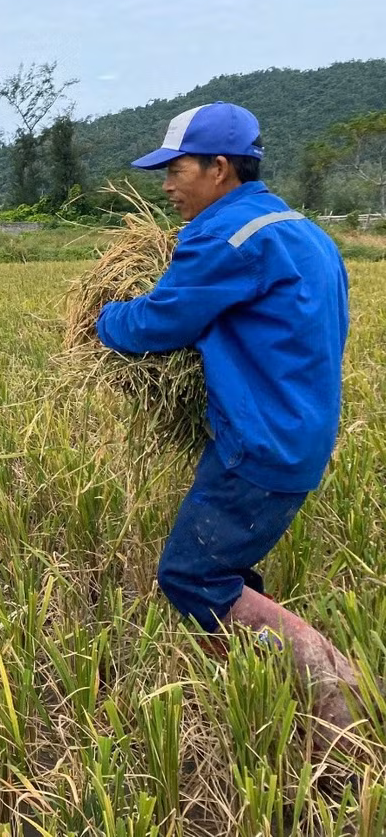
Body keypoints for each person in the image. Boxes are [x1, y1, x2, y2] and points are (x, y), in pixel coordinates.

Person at [96, 102, 359, 752]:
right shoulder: (302, 231)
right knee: (229, 568)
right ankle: (259, 697)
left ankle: (335, 698)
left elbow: (163, 321)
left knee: (193, 578)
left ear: (219, 168)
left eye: (176, 169)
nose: (166, 185)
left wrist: (104, 320)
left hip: (259, 444)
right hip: (299, 431)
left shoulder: (228, 235)